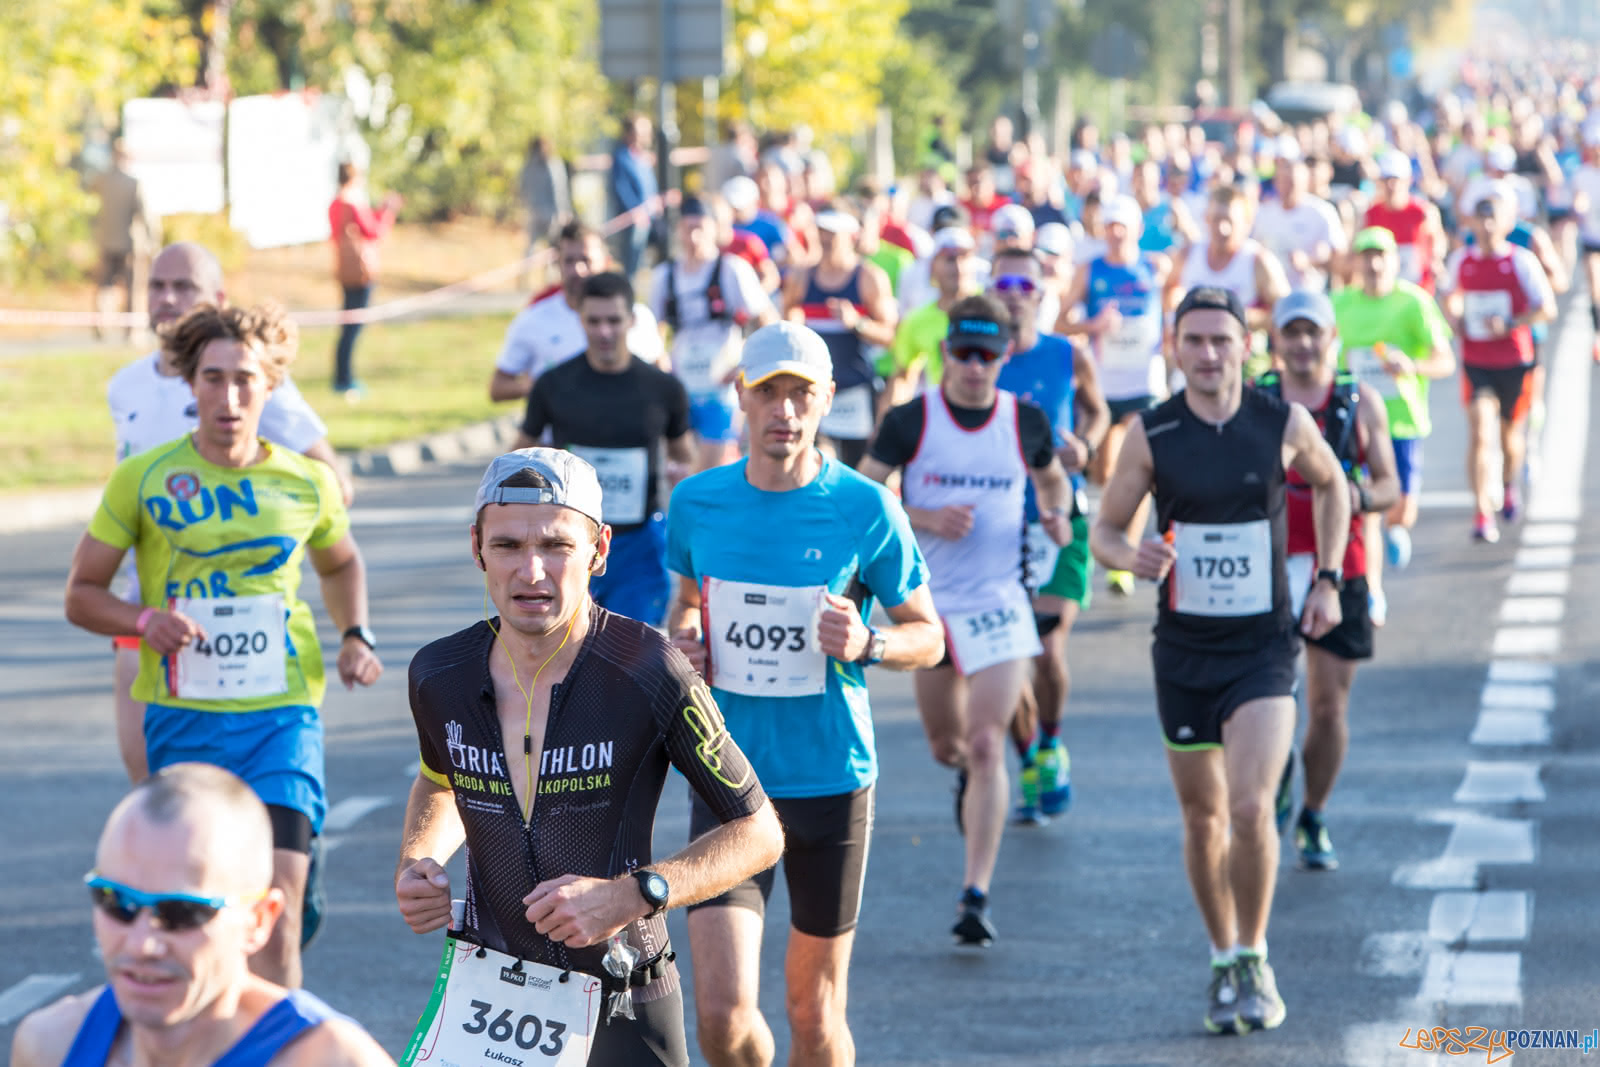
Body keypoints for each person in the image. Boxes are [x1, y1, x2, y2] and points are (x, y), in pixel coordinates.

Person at [397, 448, 784, 1067]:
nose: (531, 571)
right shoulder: (438, 673)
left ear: (599, 550)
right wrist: (419, 858)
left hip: (623, 998)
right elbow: (440, 780)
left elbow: (759, 833)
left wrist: (636, 893)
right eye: (506, 547)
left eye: (556, 545)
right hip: (489, 999)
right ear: (477, 548)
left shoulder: (648, 667)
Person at [65, 302, 384, 988]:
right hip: (183, 723)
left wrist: (355, 633)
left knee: (278, 927)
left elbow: (341, 564)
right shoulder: (144, 478)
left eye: (245, 379)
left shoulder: (307, 481)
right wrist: (143, 619)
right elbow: (81, 593)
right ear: (190, 382)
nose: (229, 396)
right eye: (212, 378)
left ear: (271, 384)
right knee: (193, 921)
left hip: (282, 719)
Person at [665, 322, 944, 1067]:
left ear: (825, 402)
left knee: (813, 1015)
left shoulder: (865, 508)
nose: (783, 411)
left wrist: (870, 642)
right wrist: (688, 643)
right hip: (729, 779)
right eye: (768, 393)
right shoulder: (698, 504)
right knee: (723, 1019)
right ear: (741, 400)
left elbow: (930, 634)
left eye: (800, 394)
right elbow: (687, 606)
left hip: (830, 778)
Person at [1089, 286, 1350, 1035]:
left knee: (1248, 804)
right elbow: (1106, 528)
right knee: (1203, 817)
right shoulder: (1153, 431)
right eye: (1194, 341)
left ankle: (1257, 950)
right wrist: (1130, 554)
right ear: (1175, 348)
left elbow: (1334, 484)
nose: (1208, 354)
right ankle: (1222, 956)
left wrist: (1327, 578)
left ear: (1246, 347)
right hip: (1183, 652)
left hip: (1265, 646)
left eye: (1222, 340)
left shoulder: (1282, 422)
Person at [861, 295, 1075, 946]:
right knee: (947, 745)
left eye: (988, 356)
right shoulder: (911, 420)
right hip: (927, 607)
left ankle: (974, 893)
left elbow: (1056, 482)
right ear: (945, 352)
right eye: (964, 353)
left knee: (986, 744)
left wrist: (1058, 512)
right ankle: (974, 772)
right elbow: (866, 497)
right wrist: (925, 519)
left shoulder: (1025, 419)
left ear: (1004, 357)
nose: (975, 367)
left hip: (999, 602)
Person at [105, 241, 351, 787]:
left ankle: (288, 850)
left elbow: (334, 481)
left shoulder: (252, 382)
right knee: (152, 782)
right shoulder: (124, 386)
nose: (167, 299)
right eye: (157, 285)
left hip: (245, 618)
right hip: (147, 605)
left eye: (183, 287)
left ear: (215, 298)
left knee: (257, 784)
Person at [8, 764, 393, 1067]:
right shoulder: (50, 1046)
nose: (144, 943)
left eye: (182, 912)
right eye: (116, 902)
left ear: (259, 920)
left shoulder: (329, 1059)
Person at [1258, 290, 1399, 871]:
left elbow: (1390, 486)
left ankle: (1313, 812)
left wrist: (1342, 496)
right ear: (1276, 341)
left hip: (1340, 567)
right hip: (1264, 568)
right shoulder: (1256, 401)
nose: (1302, 343)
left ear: (1331, 336)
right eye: (1291, 332)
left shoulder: (1358, 402)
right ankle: (1273, 779)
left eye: (1312, 331)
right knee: (1265, 696)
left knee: (1329, 706)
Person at [988, 249, 1108, 825]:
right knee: (1009, 654)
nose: (1014, 292)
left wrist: (1084, 444)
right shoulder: (978, 360)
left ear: (1041, 293)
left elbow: (1098, 411)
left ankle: (1052, 739)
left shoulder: (1067, 352)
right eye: (1002, 282)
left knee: (1049, 650)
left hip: (1060, 518)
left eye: (1024, 283)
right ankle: (1029, 756)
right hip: (1000, 526)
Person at [512, 272, 693, 628]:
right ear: (580, 319)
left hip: (638, 542)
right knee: (567, 647)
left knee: (630, 650)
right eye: (594, 321)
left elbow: (684, 455)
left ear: (632, 320)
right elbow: (519, 456)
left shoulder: (663, 388)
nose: (604, 331)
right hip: (569, 542)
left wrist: (681, 475)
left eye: (613, 320)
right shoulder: (554, 385)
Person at [1330, 227, 1455, 610]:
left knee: (1399, 508)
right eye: (1365, 255)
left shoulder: (1414, 303)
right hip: (1356, 419)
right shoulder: (1340, 303)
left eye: (1380, 255)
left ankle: (1399, 528)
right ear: (1355, 262)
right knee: (1367, 506)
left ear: (1395, 260)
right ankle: (1372, 589)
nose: (1373, 263)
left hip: (1402, 420)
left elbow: (1445, 361)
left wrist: (1411, 366)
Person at [1058, 196, 1172, 598]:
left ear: (1138, 229)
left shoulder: (1157, 268)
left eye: (1123, 225)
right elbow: (1059, 320)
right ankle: (1110, 538)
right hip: (1106, 387)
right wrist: (1093, 324)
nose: (1117, 233)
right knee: (1107, 472)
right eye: (1110, 226)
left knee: (1138, 467)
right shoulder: (1090, 272)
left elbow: (1174, 309)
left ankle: (1123, 556)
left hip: (1145, 385)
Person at [1440, 185, 1556, 543]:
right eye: (1481, 219)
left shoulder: (1521, 260)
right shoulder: (1462, 260)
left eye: (1492, 219)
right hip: (1477, 361)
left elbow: (1546, 309)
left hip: (1514, 360)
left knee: (1510, 439)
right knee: (1480, 433)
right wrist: (1456, 319)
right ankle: (1481, 512)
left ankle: (1508, 485)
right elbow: (1448, 298)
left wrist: (1511, 323)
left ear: (1503, 223)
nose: (1486, 226)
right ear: (1472, 223)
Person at [649, 197, 778, 471]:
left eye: (700, 228)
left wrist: (746, 365)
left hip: (720, 388)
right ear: (678, 231)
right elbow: (653, 329)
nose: (694, 237)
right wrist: (659, 360)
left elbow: (767, 321)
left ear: (714, 230)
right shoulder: (664, 275)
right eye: (687, 228)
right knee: (678, 472)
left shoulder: (732, 269)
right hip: (681, 385)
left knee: (708, 470)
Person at [490, 221, 664, 403]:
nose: (578, 270)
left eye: (586, 260)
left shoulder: (638, 316)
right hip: (560, 430)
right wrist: (542, 386)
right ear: (557, 263)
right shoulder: (533, 320)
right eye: (569, 261)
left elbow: (661, 372)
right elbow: (497, 387)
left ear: (606, 262)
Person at [781, 207, 898, 466]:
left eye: (832, 235)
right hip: (813, 388)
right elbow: (785, 320)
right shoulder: (802, 277)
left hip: (855, 390)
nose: (825, 241)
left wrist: (857, 324)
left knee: (855, 470)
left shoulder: (869, 278)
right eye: (821, 234)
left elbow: (891, 336)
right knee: (813, 462)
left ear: (851, 238)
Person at [882, 227, 979, 407]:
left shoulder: (993, 309)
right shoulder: (917, 320)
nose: (958, 267)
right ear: (933, 266)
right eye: (950, 259)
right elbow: (903, 378)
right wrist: (885, 425)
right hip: (941, 413)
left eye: (964, 257)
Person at [327, 160, 400, 397]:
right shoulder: (354, 202)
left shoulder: (335, 204)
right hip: (360, 271)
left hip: (344, 269)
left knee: (347, 325)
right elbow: (374, 232)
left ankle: (342, 375)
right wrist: (388, 211)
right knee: (353, 326)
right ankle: (344, 378)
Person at [90, 139, 157, 342]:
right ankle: (131, 331)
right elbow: (145, 215)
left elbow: (91, 210)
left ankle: (101, 326)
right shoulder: (133, 183)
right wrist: (152, 241)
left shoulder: (100, 180)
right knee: (132, 288)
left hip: (105, 241)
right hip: (129, 244)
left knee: (104, 287)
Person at [1251, 154, 1346, 293]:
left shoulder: (1322, 211)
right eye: (1283, 181)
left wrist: (1309, 260)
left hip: (1310, 293)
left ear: (1305, 182)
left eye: (1292, 182)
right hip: (1270, 293)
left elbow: (1339, 255)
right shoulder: (1263, 213)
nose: (1287, 187)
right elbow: (1252, 249)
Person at [1364, 151, 1446, 294]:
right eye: (1386, 179)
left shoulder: (1424, 211)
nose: (1391, 185)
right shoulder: (1371, 214)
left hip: (1419, 289)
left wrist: (1435, 259)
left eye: (1395, 179)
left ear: (1408, 180)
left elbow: (1438, 241)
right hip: (1385, 292)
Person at [609, 113, 660, 278]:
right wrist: (634, 210)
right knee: (630, 261)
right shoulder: (622, 157)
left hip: (649, 215)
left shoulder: (642, 158)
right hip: (633, 218)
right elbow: (621, 187)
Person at [518, 135, 571, 268]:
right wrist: (562, 211)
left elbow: (522, 188)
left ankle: (528, 273)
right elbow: (558, 189)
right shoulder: (553, 164)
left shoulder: (528, 165)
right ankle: (543, 275)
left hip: (535, 211)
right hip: (549, 212)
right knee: (550, 246)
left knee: (533, 245)